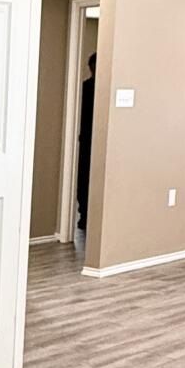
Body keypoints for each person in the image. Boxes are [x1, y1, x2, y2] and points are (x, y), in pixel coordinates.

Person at [76, 50, 97, 234]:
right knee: (83, 178)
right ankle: (84, 214)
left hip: (95, 141)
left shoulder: (102, 90)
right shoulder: (84, 88)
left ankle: (90, 215)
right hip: (86, 140)